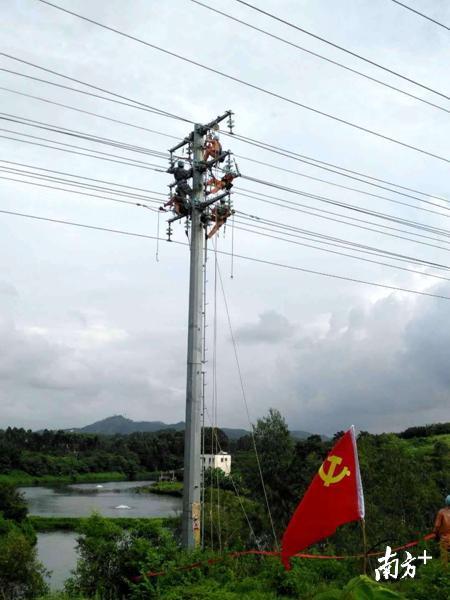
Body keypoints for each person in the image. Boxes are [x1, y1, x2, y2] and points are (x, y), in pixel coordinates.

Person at [434, 495, 450, 566]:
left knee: (444, 561)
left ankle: (444, 575)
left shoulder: (441, 512)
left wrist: (436, 534)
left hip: (444, 540)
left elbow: (437, 526)